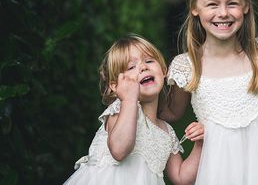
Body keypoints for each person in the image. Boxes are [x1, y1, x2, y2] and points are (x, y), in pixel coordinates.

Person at [160, 0, 258, 185]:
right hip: (217, 170)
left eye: (232, 3)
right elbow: (169, 114)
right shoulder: (186, 66)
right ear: (194, 8)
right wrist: (134, 99)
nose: (223, 13)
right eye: (212, 4)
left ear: (246, 5)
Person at [64, 34, 204, 185]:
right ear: (115, 86)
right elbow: (119, 150)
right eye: (131, 67)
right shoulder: (119, 110)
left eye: (149, 61)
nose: (143, 67)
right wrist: (129, 99)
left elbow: (181, 177)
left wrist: (200, 144)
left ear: (164, 71)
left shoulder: (166, 132)